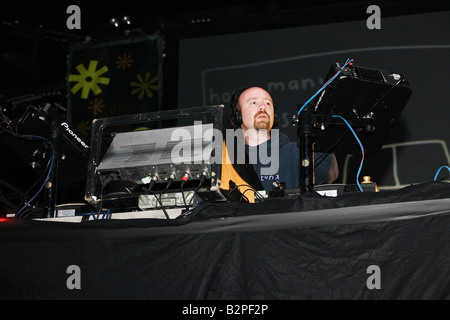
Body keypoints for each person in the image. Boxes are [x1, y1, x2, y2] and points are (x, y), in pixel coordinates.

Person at [220, 86, 338, 200]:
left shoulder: (298, 151)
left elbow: (330, 172)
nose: (263, 107)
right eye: (253, 103)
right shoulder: (226, 158)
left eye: (268, 103)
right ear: (237, 116)